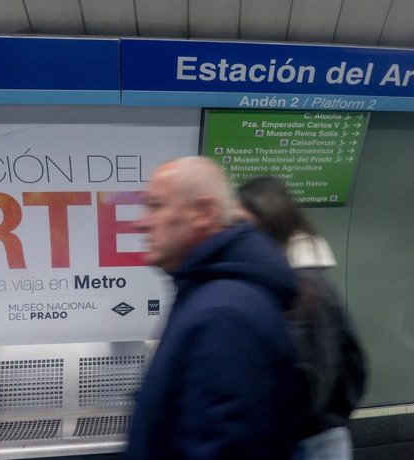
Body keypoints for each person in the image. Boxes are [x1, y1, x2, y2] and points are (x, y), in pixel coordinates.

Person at [125, 157, 308, 460]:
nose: (140, 222)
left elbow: (226, 448)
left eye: (156, 205)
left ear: (203, 213)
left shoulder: (223, 315)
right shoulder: (207, 292)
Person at [237, 176, 367, 460]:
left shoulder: (306, 288)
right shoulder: (282, 280)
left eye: (246, 226)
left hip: (310, 442)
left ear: (271, 223)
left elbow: (309, 381)